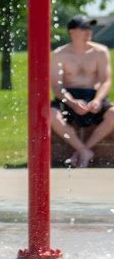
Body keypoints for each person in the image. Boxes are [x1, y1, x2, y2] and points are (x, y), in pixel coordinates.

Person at [50, 15, 114, 167]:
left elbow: (106, 81)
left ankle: (85, 150)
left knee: (113, 114)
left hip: (93, 95)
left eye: (89, 28)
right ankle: (83, 151)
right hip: (68, 96)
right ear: (72, 32)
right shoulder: (60, 54)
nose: (88, 31)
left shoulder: (100, 51)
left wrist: (97, 100)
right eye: (83, 28)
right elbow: (57, 86)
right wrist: (72, 103)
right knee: (51, 114)